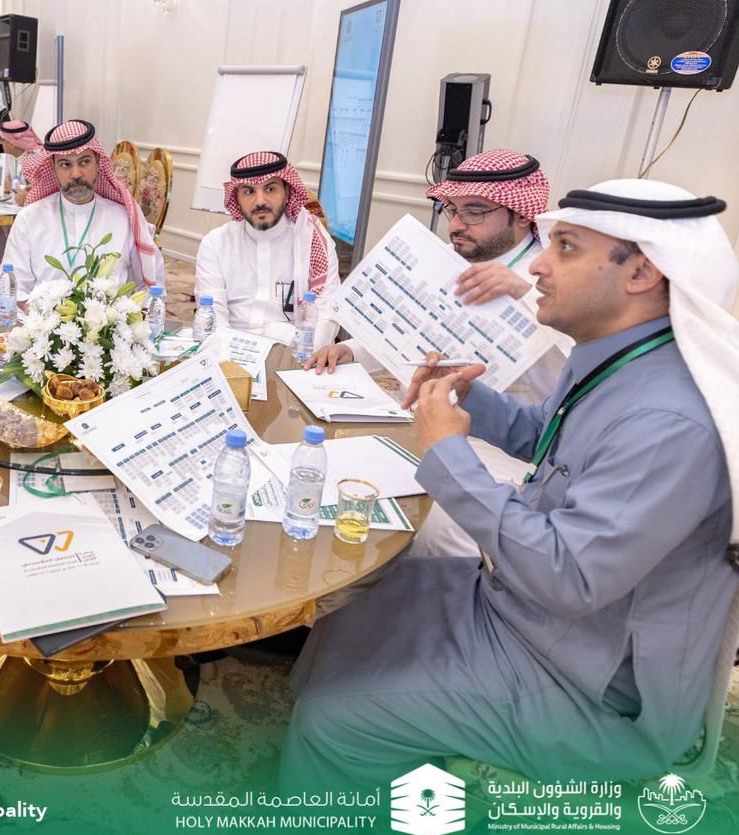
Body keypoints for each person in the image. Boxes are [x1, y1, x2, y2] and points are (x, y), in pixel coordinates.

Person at [280, 178, 738, 794]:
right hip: (524, 610)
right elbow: (548, 438)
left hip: (587, 680)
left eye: (566, 248)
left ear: (641, 273)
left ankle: (333, 790)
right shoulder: (623, 358)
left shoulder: (668, 421)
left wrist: (447, 452)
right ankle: (362, 769)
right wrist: (470, 397)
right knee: (355, 598)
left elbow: (569, 577)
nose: (539, 266)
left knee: (332, 722)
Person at [309, 149, 570, 558]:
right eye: (451, 209)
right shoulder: (453, 256)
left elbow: (572, 368)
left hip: (500, 448)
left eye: (474, 212)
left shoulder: (551, 278)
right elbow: (416, 329)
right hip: (420, 419)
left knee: (426, 534)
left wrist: (523, 295)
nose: (456, 225)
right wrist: (349, 349)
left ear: (521, 215)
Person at [4, 119, 164, 296]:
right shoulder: (29, 219)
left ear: (98, 163)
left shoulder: (124, 220)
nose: (76, 174)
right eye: (65, 164)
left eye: (84, 162)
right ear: (53, 168)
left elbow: (152, 287)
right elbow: (12, 290)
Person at [195, 151, 340, 345]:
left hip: (292, 353)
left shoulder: (312, 241)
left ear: (287, 191)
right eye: (248, 191)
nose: (260, 201)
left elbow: (325, 321)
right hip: (229, 351)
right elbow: (213, 322)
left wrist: (277, 336)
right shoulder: (215, 243)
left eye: (270, 189)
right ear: (236, 198)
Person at [0, 119, 42, 205]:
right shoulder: (8, 155)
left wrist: (13, 187)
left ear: (12, 143)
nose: (0, 142)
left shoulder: (36, 156)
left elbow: (38, 189)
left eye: (2, 140)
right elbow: (5, 182)